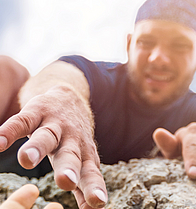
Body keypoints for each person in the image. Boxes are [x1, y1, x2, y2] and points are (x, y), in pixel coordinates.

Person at [1, 0, 196, 208]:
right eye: (146, 42)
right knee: (8, 69)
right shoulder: (100, 78)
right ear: (129, 45)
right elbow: (61, 74)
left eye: (180, 45)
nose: (159, 58)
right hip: (19, 166)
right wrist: (62, 96)